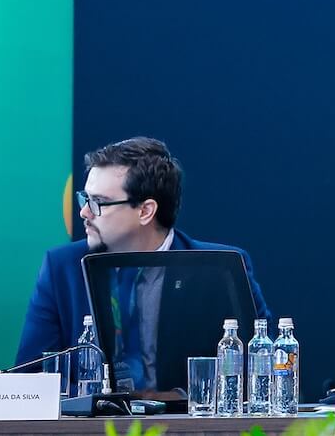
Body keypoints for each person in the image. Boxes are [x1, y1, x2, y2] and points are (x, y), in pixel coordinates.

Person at [15, 137, 270, 393]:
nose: (84, 213)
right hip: (92, 429)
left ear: (146, 211)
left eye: (98, 203)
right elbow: (31, 377)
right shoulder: (63, 267)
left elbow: (263, 370)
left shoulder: (219, 269)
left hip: (187, 427)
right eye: (85, 199)